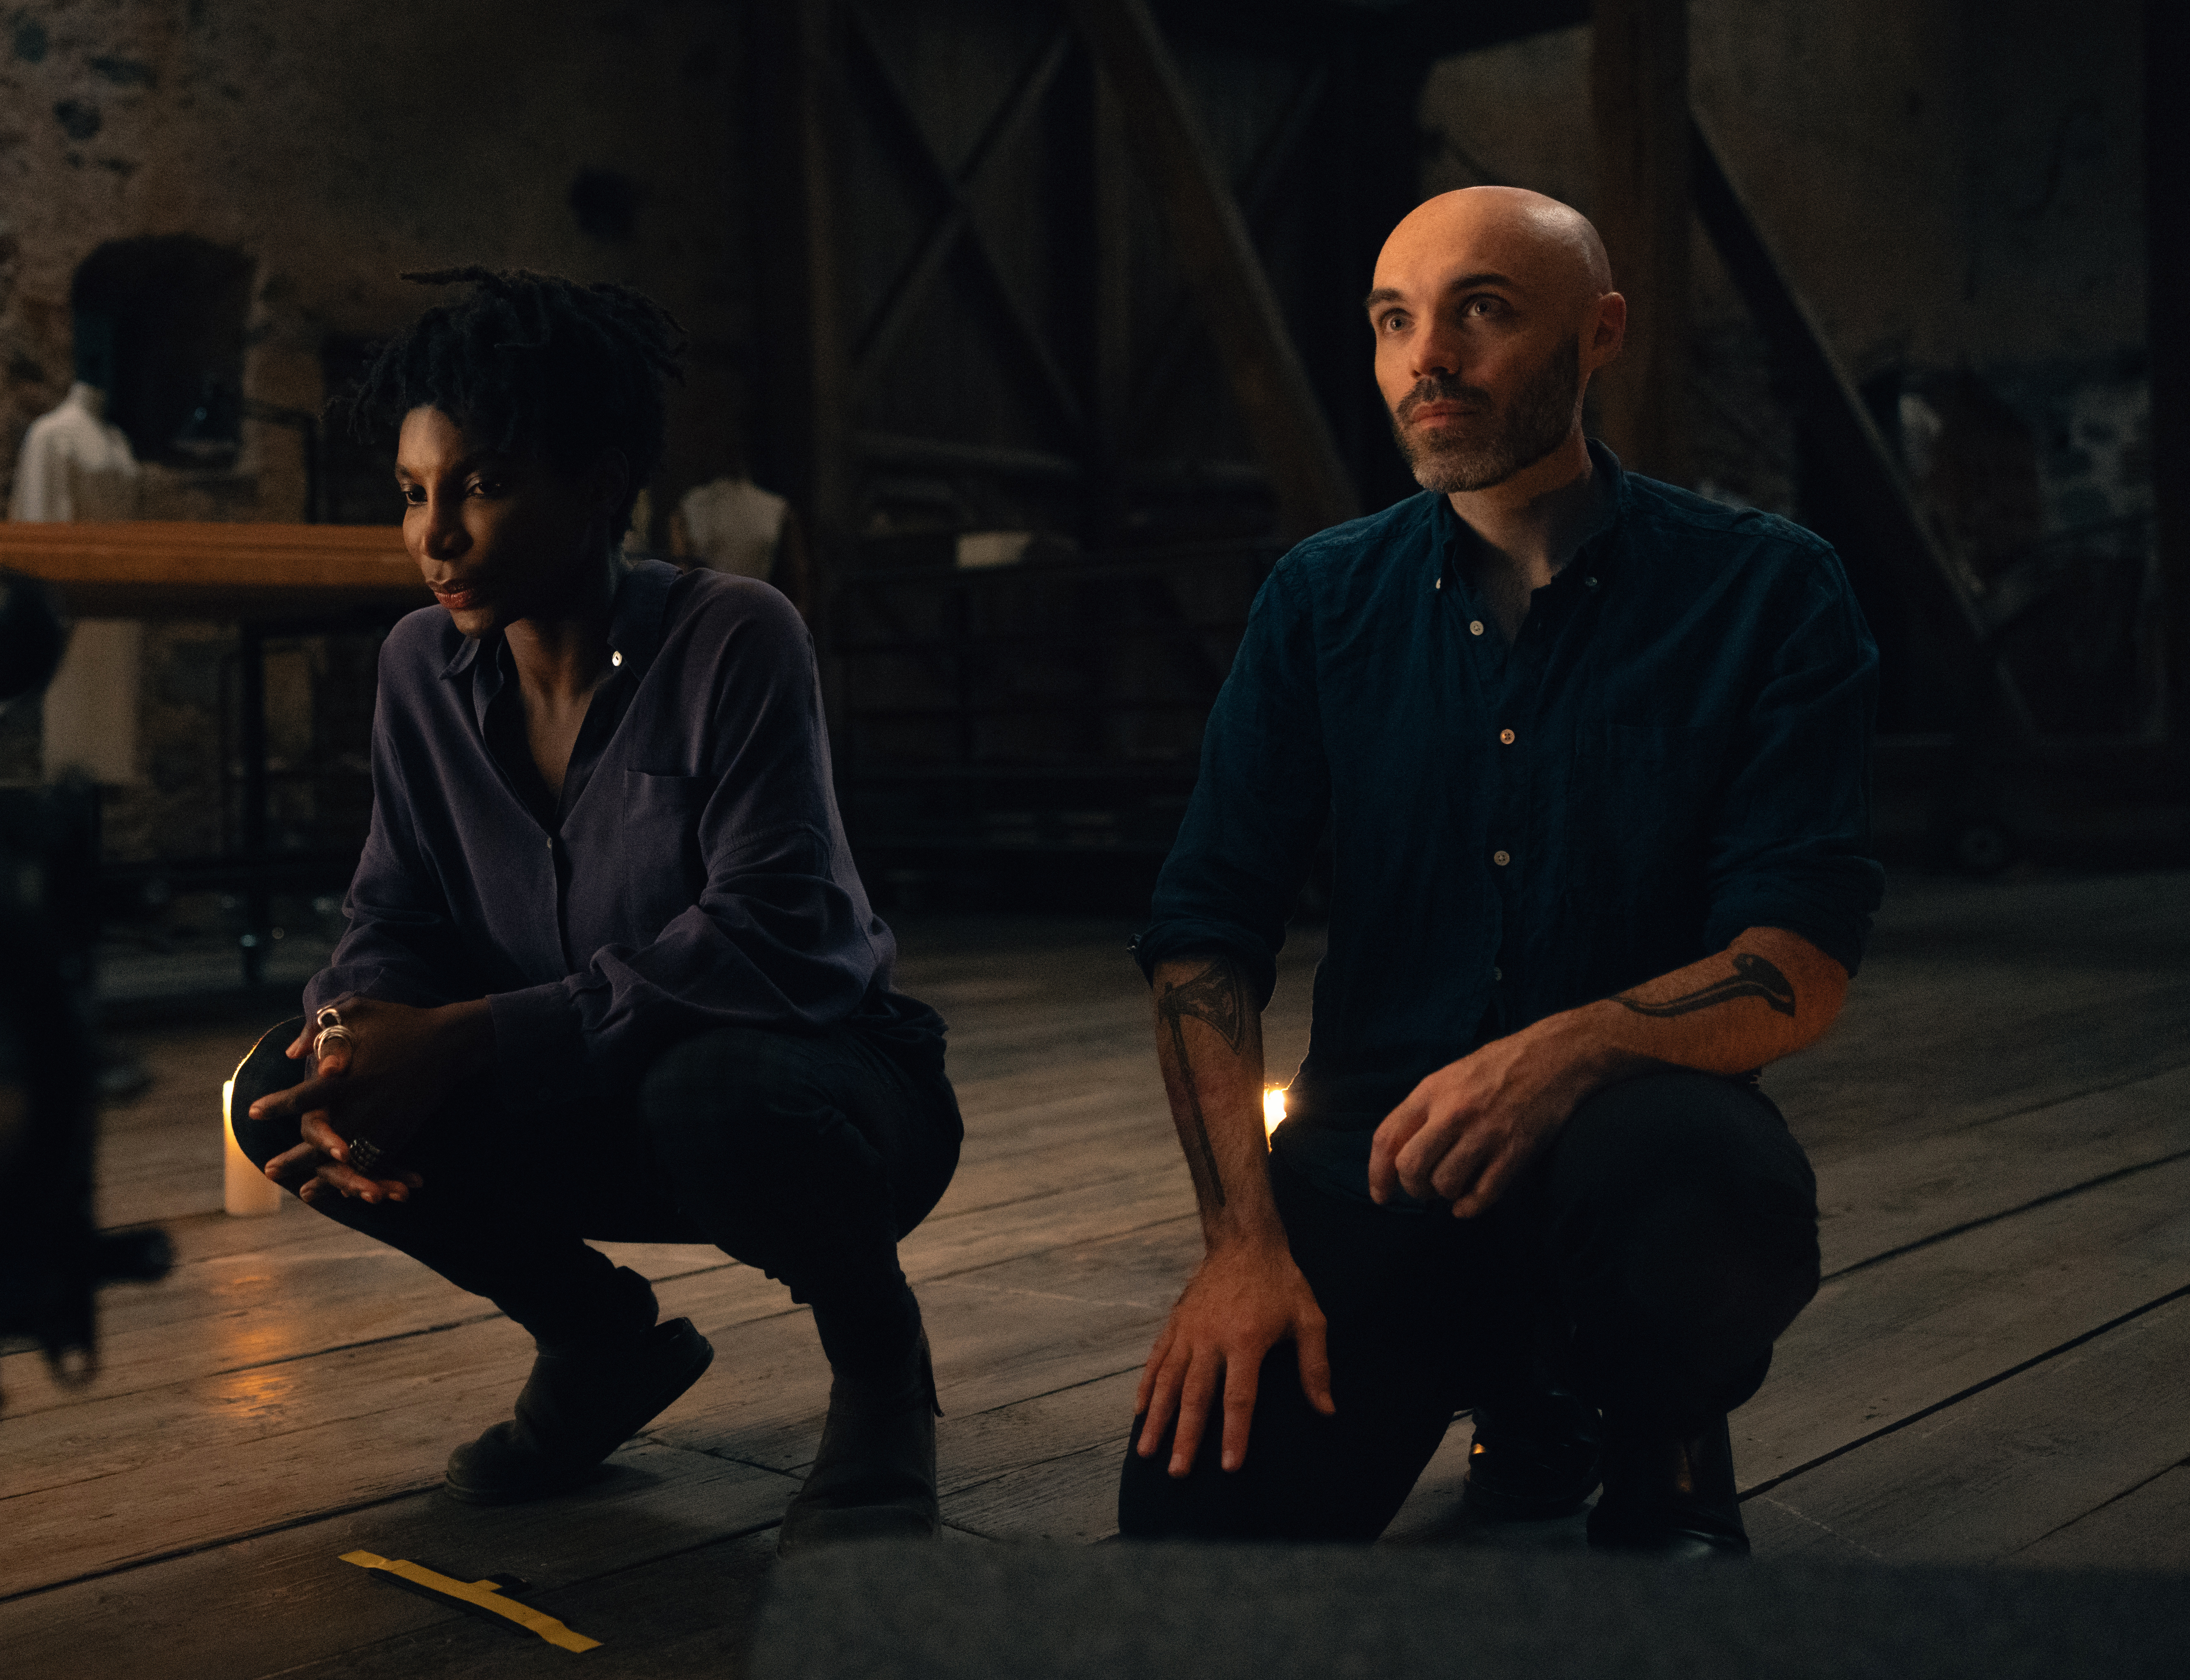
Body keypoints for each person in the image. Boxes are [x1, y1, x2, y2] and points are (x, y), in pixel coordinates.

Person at [1118, 186, 1879, 1556]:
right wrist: (1244, 1244)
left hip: (1635, 1149)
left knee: (1712, 1208)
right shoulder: (1321, 600)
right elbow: (1204, 928)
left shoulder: (1765, 588)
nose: (1429, 362)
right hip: (1374, 1154)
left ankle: (1659, 1432)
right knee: (1197, 1533)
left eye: (1482, 310)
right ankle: (1523, 1395)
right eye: (1394, 321)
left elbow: (1799, 961)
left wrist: (1563, 1052)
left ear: (1600, 335)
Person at [234, 267, 961, 1546]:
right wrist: (352, 1032)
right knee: (276, 1094)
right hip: (587, 1103)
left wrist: (469, 1036)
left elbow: (773, 934)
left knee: (718, 1089)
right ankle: (599, 1344)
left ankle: (884, 1379)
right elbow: (394, 908)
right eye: (414, 493)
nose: (436, 535)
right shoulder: (420, 665)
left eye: (484, 485)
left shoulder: (738, 636)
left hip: (817, 1101)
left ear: (601, 482)